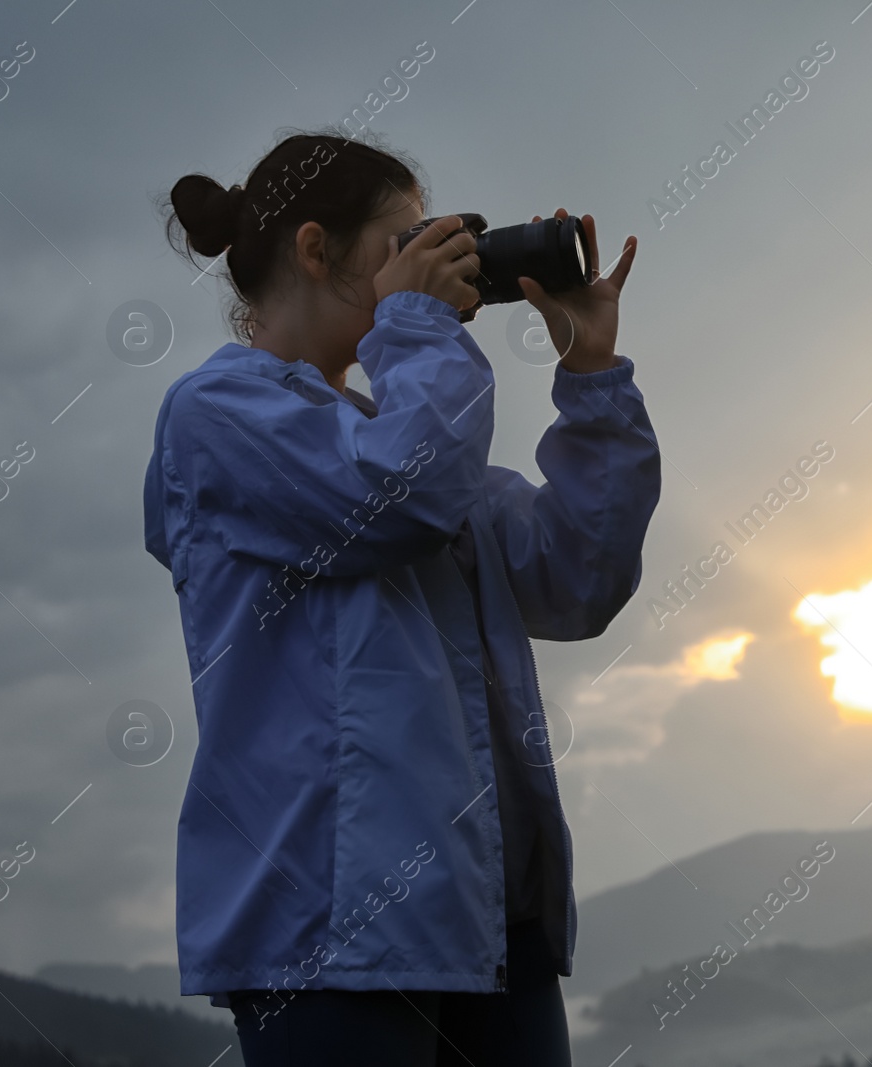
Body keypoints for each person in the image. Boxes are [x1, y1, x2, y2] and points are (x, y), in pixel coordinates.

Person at [142, 130, 661, 1065]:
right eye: (404, 243)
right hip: (329, 932)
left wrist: (589, 369)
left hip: (485, 922)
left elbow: (581, 578)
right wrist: (417, 331)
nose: (435, 265)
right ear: (314, 250)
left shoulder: (407, 431)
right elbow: (398, 498)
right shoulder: (217, 415)